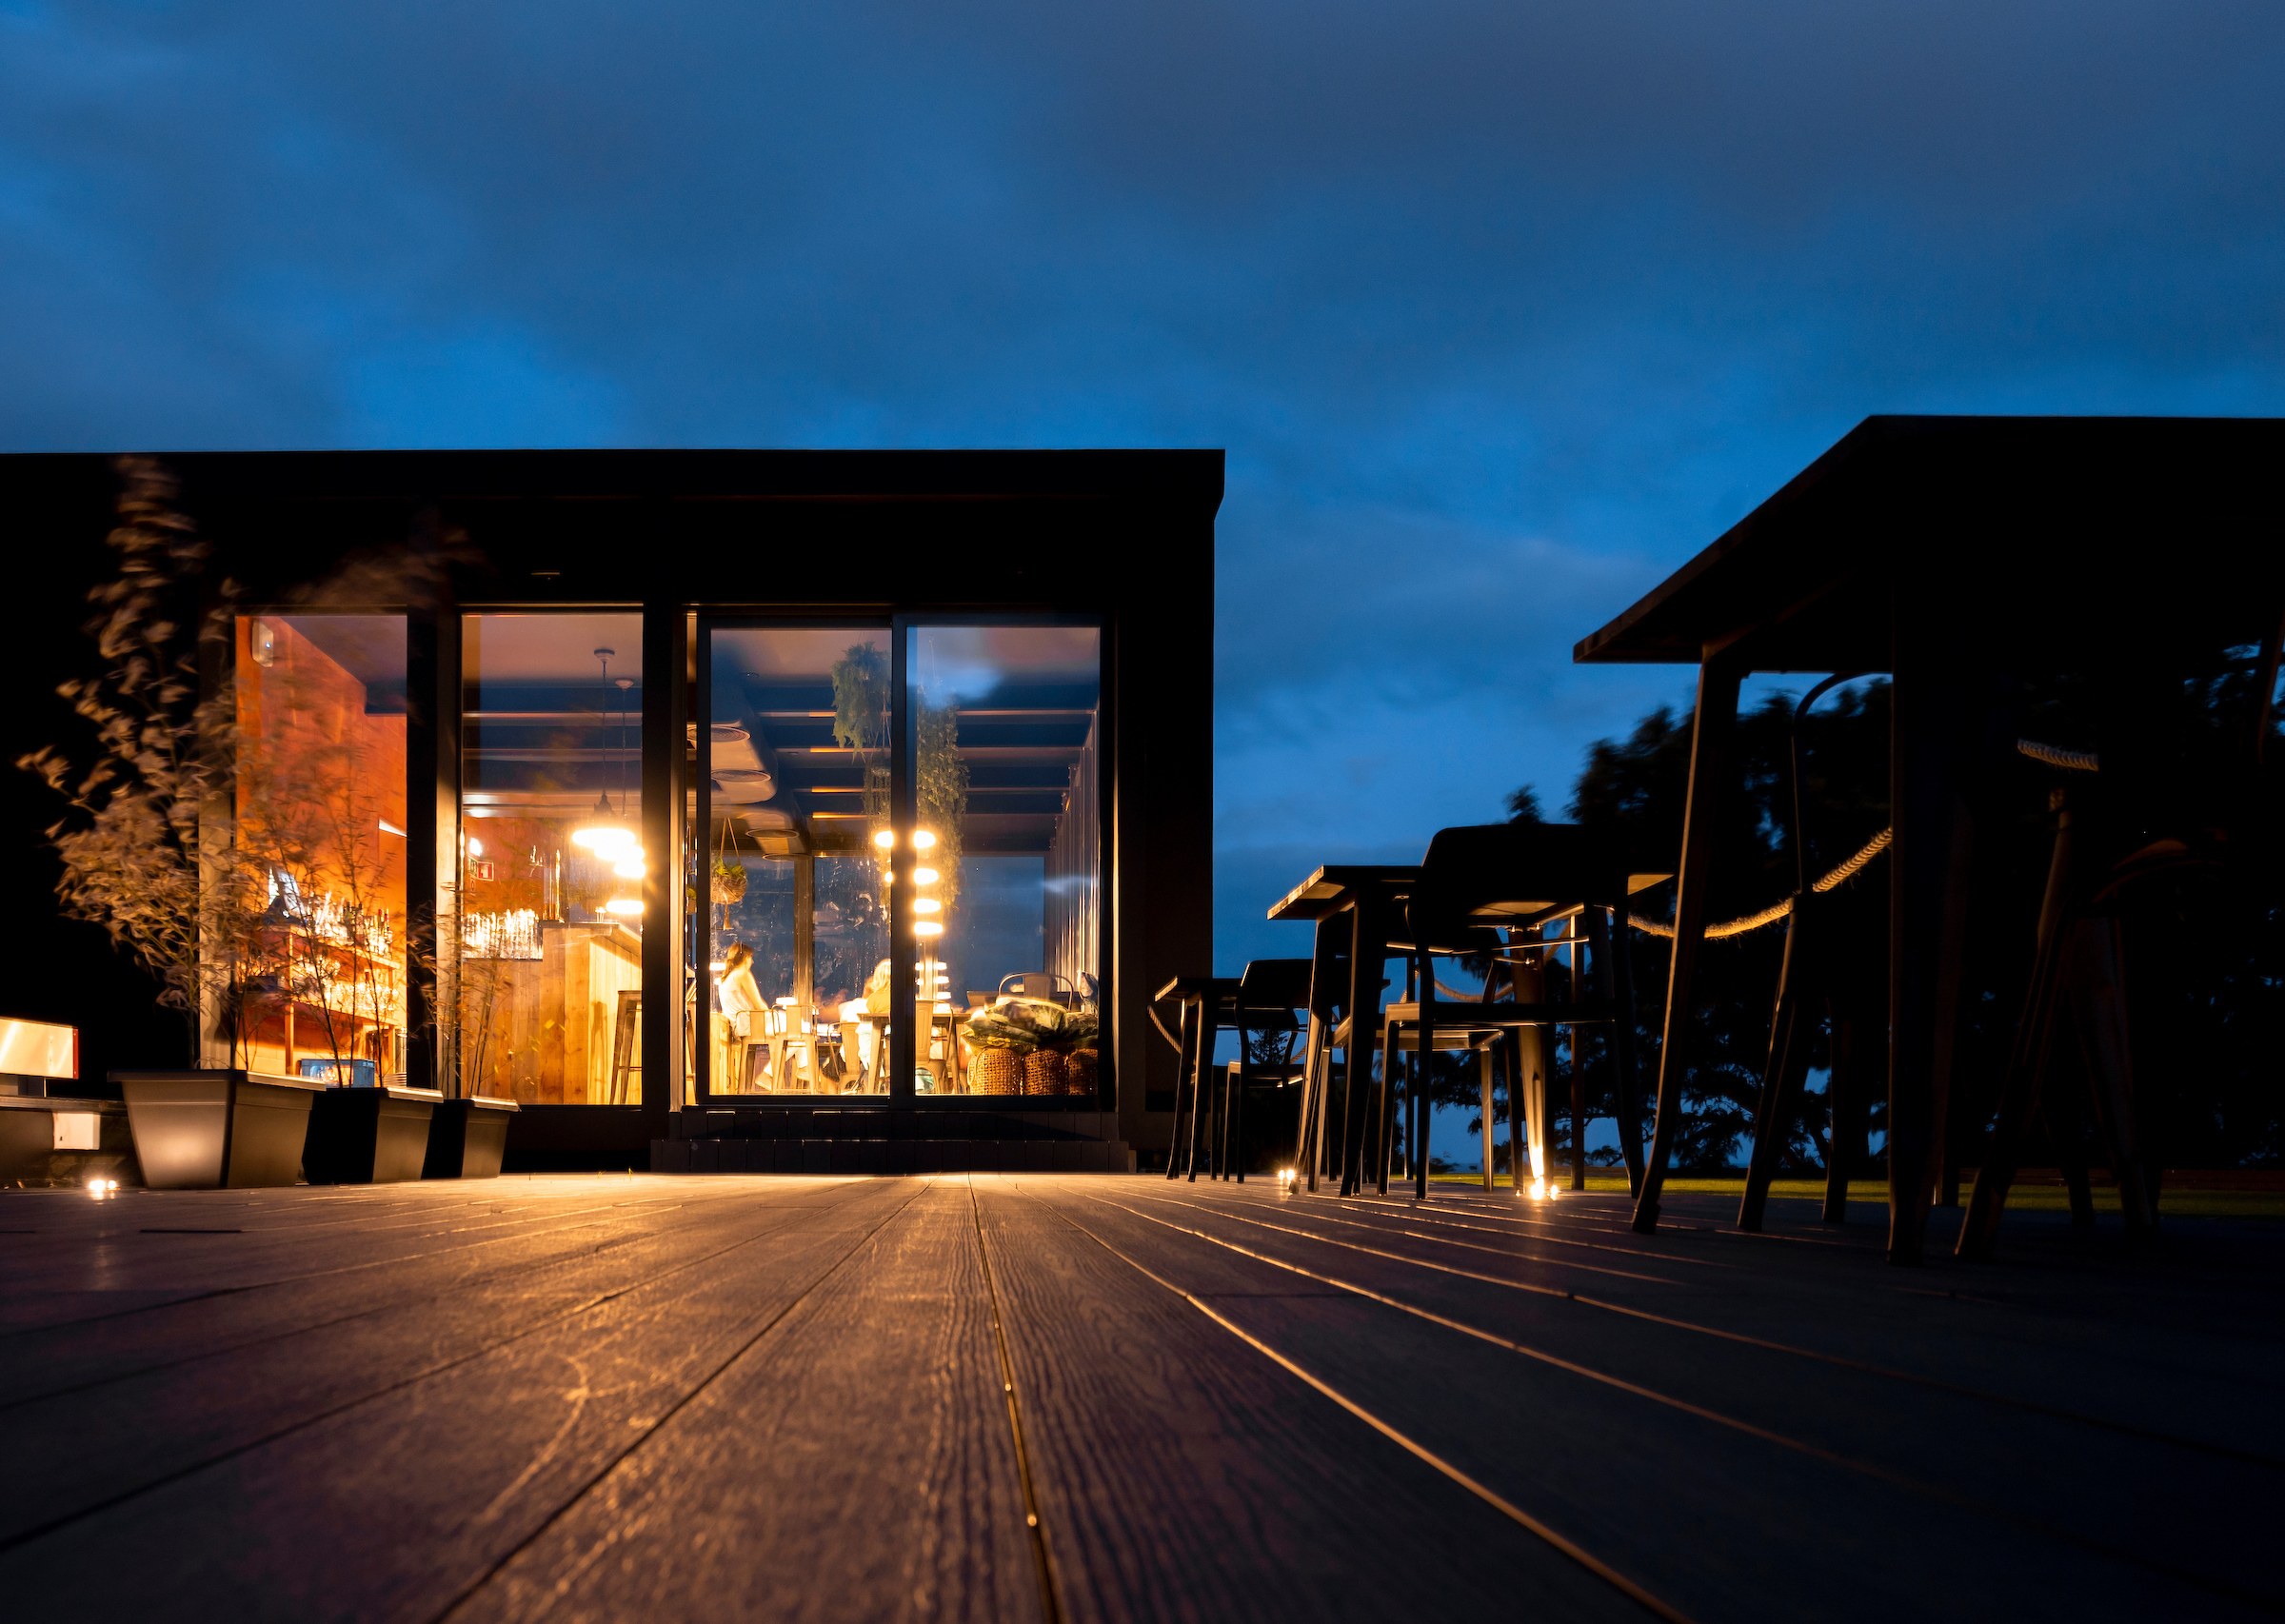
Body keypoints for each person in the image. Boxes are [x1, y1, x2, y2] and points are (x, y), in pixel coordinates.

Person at [716, 943, 769, 1090]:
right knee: (798, 1030)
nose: (752, 962)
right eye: (750, 958)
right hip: (750, 1024)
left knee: (797, 1035)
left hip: (739, 1026)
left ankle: (769, 1075)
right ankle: (769, 1074)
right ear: (745, 958)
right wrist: (772, 1014)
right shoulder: (742, 974)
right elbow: (759, 1005)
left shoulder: (725, 979)